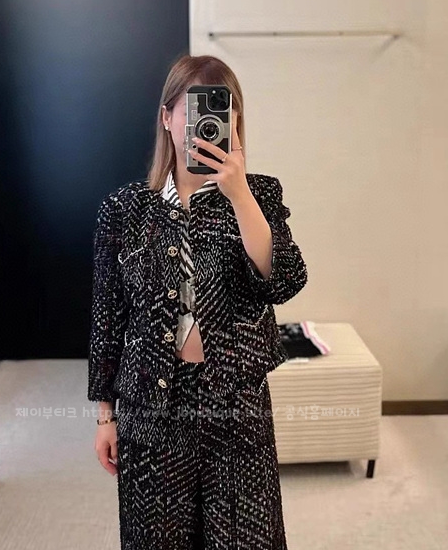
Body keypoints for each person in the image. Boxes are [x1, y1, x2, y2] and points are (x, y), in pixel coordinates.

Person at [88, 54, 308, 550]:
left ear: (235, 123)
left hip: (237, 404)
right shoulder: (124, 210)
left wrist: (240, 196)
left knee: (245, 539)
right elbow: (107, 320)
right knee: (157, 539)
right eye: (193, 111)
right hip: (150, 405)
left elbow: (285, 281)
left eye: (221, 112)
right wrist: (105, 416)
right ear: (167, 118)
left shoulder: (259, 196)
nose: (206, 127)